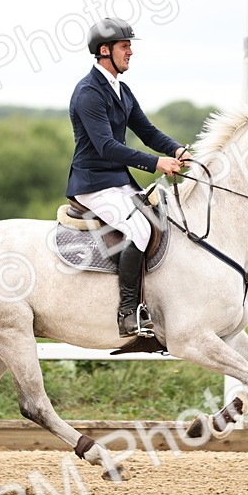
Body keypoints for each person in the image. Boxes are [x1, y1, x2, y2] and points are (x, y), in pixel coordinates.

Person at [66, 17, 192, 338]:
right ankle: (127, 312)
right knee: (139, 228)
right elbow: (107, 147)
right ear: (104, 50)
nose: (131, 52)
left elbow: (147, 131)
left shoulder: (121, 90)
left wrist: (176, 150)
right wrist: (156, 163)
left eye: (130, 46)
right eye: (125, 46)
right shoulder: (88, 93)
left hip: (117, 182)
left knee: (165, 220)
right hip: (93, 184)